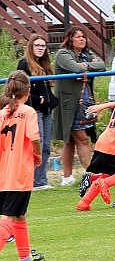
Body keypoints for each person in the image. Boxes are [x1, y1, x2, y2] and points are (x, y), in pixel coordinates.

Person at [0, 70, 45, 261]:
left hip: (4, 174)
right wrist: (38, 153)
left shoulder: (2, 113)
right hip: (19, 174)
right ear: (27, 91)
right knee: (9, 218)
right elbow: (34, 137)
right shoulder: (28, 112)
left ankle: (25, 257)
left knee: (20, 215)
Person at [53, 26, 106, 187]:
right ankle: (92, 176)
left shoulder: (87, 54)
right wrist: (87, 66)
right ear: (70, 39)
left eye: (83, 36)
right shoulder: (63, 54)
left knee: (71, 140)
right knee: (82, 138)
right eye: (78, 36)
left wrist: (85, 66)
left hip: (85, 102)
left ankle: (67, 178)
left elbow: (103, 65)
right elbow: (75, 69)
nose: (82, 39)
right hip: (70, 104)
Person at [17, 34, 58, 191]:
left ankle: (41, 179)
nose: (41, 48)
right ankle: (32, 180)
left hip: (47, 110)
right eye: (38, 46)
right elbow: (18, 88)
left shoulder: (44, 64)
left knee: (46, 146)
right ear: (31, 47)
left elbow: (47, 89)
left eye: (43, 46)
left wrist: (53, 100)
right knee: (36, 145)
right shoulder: (24, 64)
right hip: (34, 111)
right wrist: (37, 99)